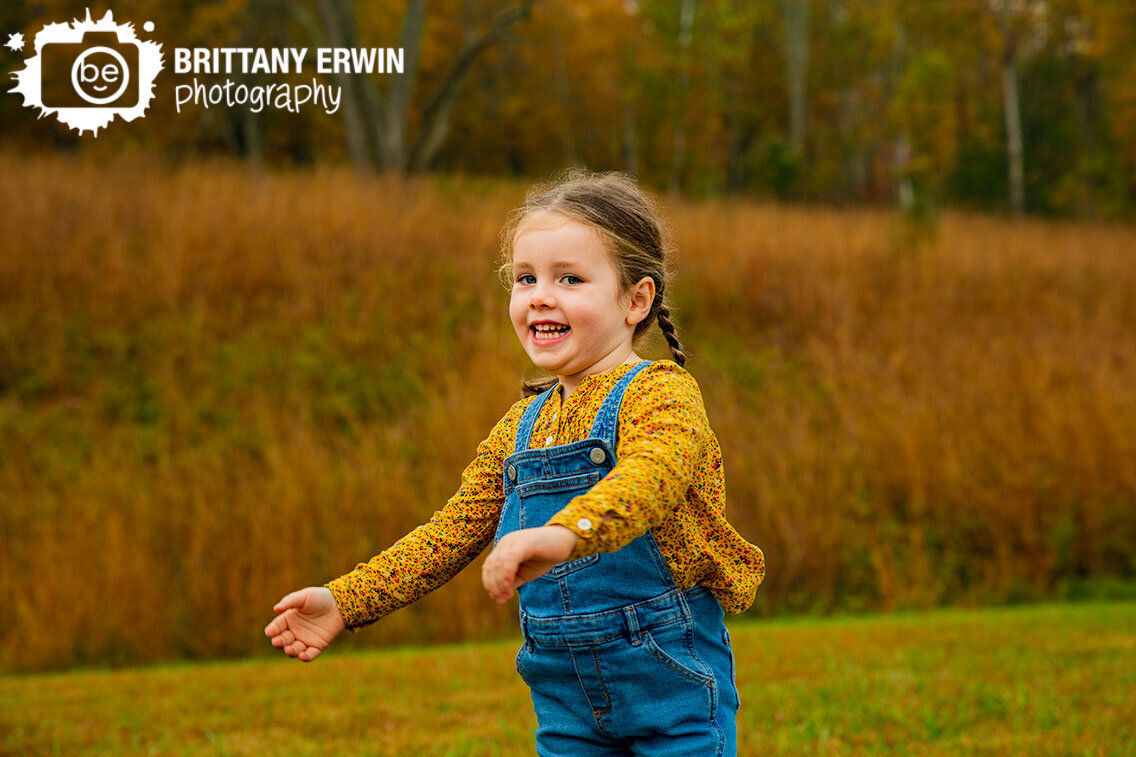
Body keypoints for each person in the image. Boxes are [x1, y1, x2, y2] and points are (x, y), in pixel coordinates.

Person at [264, 168, 765, 755]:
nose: (540, 295)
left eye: (570, 278)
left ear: (636, 300)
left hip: (670, 684)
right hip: (566, 701)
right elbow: (452, 530)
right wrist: (348, 600)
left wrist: (566, 533)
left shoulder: (662, 393)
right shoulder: (520, 425)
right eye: (525, 278)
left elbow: (653, 475)